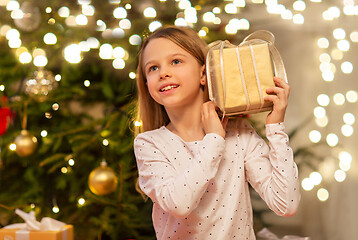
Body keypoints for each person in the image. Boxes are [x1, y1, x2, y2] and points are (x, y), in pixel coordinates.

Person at [133, 25, 300, 240]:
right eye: (153, 68)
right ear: (146, 84)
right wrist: (213, 139)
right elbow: (178, 203)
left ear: (204, 73)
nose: (163, 73)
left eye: (176, 61)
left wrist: (276, 127)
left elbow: (286, 204)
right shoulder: (149, 144)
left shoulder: (240, 135)